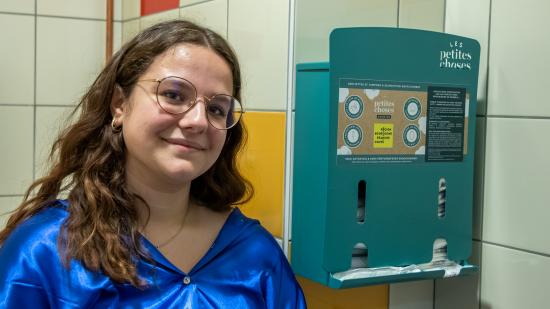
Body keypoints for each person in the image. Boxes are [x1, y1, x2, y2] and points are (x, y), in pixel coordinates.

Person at [0, 20, 306, 308]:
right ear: (119, 105)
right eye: (174, 94)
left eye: (215, 108)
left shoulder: (255, 255)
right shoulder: (45, 251)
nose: (197, 121)